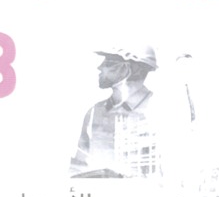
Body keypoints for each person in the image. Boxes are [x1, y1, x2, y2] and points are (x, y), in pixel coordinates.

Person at [69, 45, 166, 178]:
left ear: (127, 69)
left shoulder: (160, 111)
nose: (100, 67)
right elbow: (78, 167)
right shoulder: (95, 113)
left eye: (108, 63)